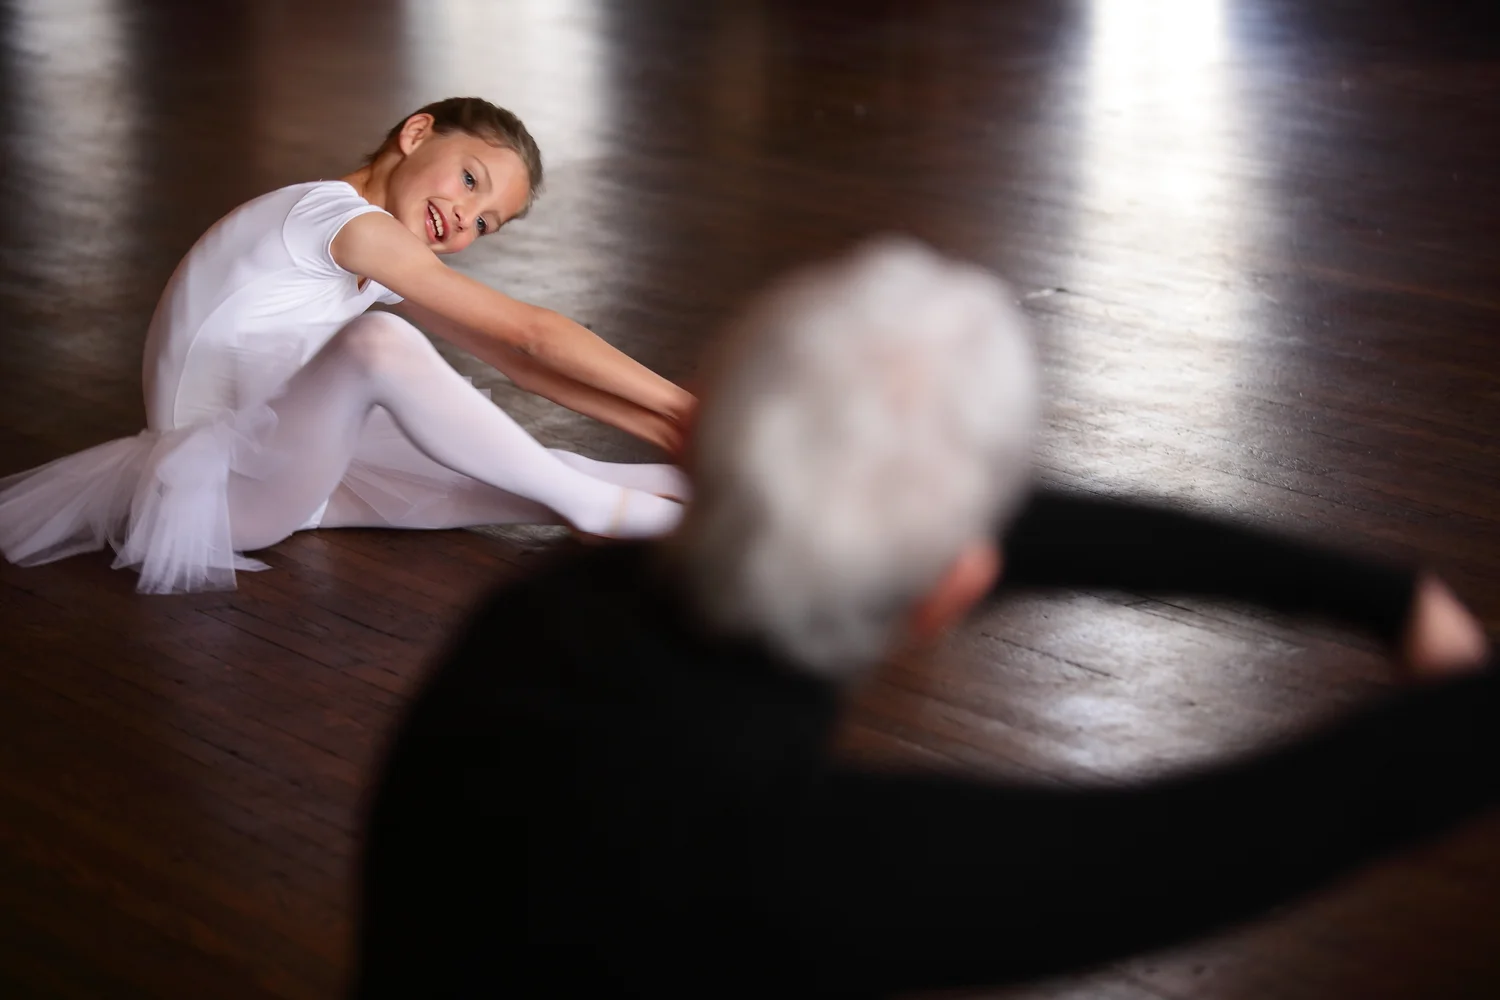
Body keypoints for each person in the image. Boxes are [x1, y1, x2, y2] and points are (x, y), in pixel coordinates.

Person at [351, 239, 1494, 998]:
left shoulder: (538, 622)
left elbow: (1002, 526)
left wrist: (1384, 597)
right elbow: (1237, 833)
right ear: (955, 586)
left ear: (695, 440)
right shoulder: (784, 867)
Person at [0, 97, 693, 594]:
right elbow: (529, 334)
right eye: (469, 180)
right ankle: (593, 507)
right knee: (378, 344)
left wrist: (673, 431)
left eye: (485, 224)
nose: (464, 219)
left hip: (304, 484)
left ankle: (708, 503)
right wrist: (690, 407)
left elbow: (517, 360)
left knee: (558, 475)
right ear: (416, 133)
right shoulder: (333, 217)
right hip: (221, 495)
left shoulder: (377, 251)